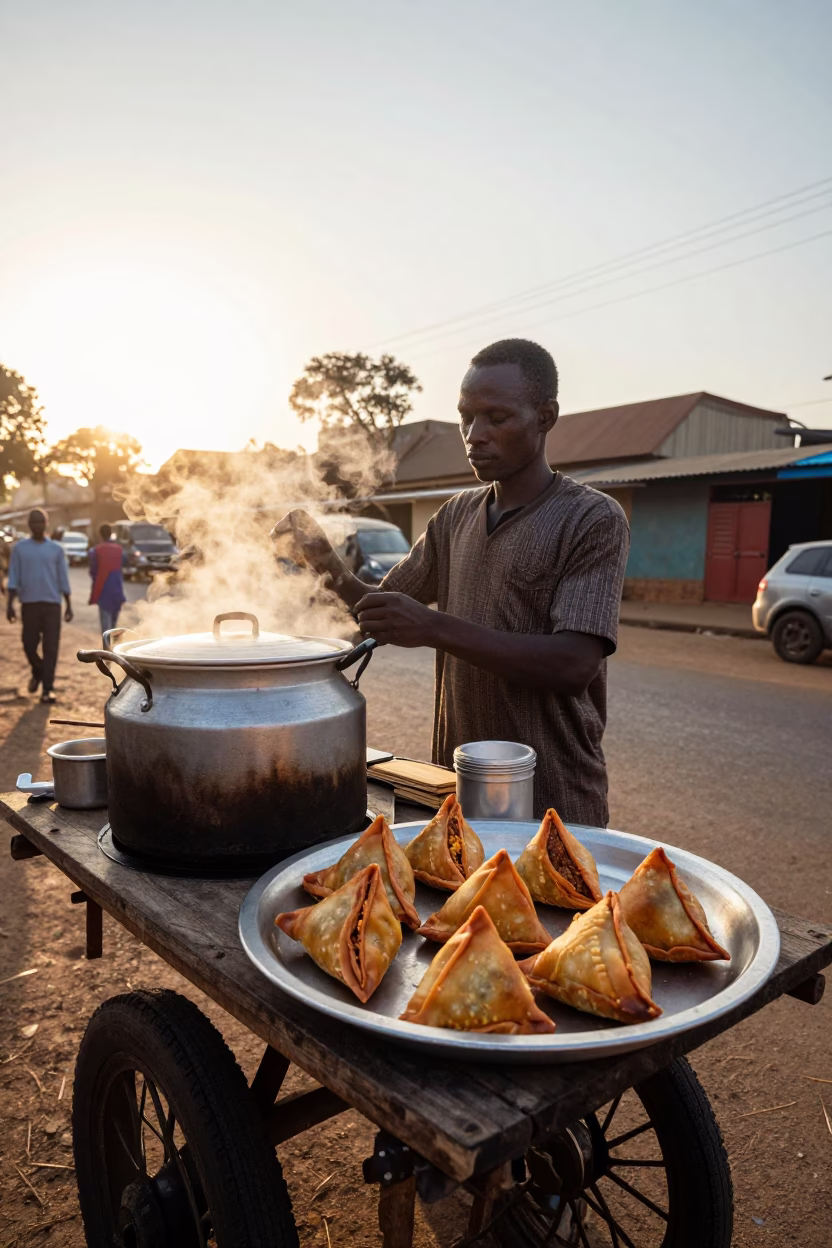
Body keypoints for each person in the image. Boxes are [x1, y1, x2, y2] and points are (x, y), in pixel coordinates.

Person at [274, 338, 630, 827]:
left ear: (545, 416)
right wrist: (321, 557)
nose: (473, 435)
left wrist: (435, 628)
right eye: (466, 417)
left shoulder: (590, 518)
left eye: (496, 418)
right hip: (457, 788)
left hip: (554, 798)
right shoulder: (456, 515)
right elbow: (378, 610)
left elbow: (573, 665)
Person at [6, 509, 73, 703]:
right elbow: (14, 578)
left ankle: (48, 689)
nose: (37, 526)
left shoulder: (56, 549)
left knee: (51, 647)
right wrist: (9, 605)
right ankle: (38, 670)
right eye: (34, 522)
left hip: (53, 605)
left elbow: (63, 579)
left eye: (40, 522)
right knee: (28, 644)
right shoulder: (20, 548)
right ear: (29, 525)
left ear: (46, 523)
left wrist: (69, 605)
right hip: (29, 604)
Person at [89, 523, 126, 640]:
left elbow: (93, 571)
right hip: (117, 590)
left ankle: (108, 653)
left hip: (103, 590)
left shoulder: (97, 550)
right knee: (114, 625)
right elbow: (125, 563)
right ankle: (114, 651)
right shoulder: (119, 549)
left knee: (106, 627)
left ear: (100, 535)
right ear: (111, 533)